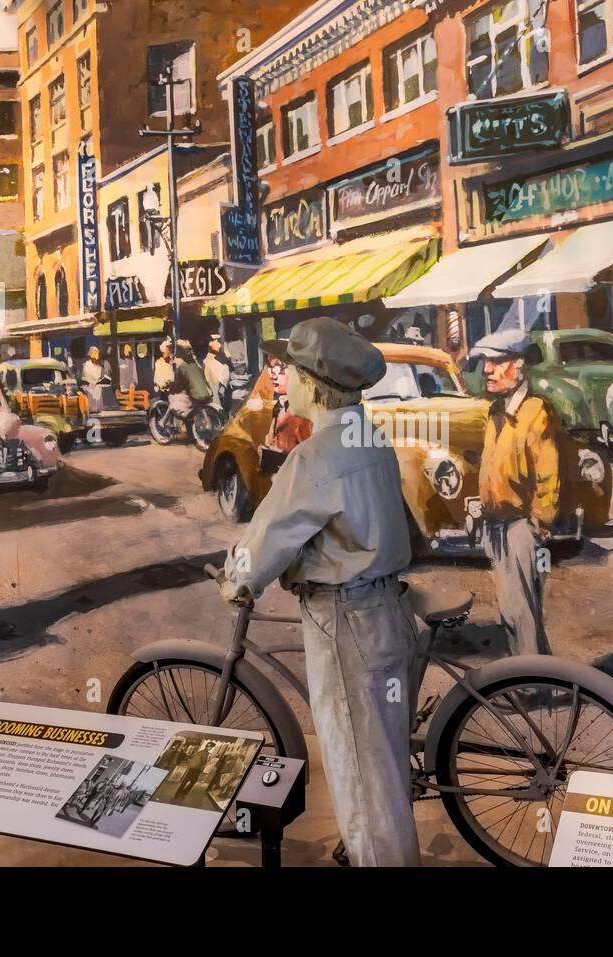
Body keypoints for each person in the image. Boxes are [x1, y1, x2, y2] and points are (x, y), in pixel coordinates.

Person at [220, 317, 421, 867]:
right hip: (386, 609)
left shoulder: (315, 456)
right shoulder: (367, 438)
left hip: (345, 620)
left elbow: (269, 534)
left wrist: (237, 581)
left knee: (360, 775)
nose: (282, 379)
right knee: (383, 766)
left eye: (291, 370)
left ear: (315, 383)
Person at [471, 326, 560, 656]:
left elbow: (549, 479)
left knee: (521, 612)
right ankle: (541, 685)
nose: (487, 370)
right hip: (497, 526)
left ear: (520, 365)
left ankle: (530, 689)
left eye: (496, 361)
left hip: (521, 527)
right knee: (512, 611)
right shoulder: (495, 412)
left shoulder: (536, 412)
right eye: (485, 362)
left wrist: (538, 526)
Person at [203, 333, 231, 409]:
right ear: (210, 343)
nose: (219, 345)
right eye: (216, 341)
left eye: (219, 341)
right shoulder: (209, 361)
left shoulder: (219, 357)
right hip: (216, 399)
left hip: (222, 395)